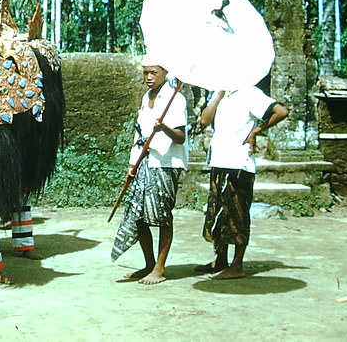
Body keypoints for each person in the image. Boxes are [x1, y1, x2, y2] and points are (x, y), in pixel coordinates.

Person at [197, 86, 288, 279]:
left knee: (236, 214)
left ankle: (237, 265)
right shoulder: (220, 92)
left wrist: (255, 132)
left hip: (239, 163)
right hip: (219, 161)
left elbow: (281, 111)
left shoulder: (249, 92)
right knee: (218, 211)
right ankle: (220, 259)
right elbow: (204, 120)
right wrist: (219, 94)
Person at [110, 58, 187, 285]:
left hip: (165, 164)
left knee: (161, 216)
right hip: (144, 162)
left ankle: (160, 269)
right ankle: (149, 263)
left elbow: (180, 138)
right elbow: (139, 136)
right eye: (145, 73)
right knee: (139, 216)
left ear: (165, 73)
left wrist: (164, 128)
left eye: (153, 72)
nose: (149, 77)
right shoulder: (146, 98)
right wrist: (132, 165)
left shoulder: (176, 99)